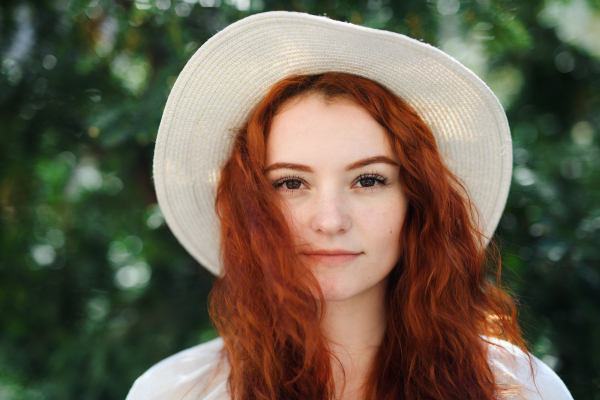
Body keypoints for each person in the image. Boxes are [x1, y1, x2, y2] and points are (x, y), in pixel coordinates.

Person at [126, 11, 573, 400]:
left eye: (369, 179)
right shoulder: (173, 392)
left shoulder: (520, 390)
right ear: (250, 204)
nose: (330, 220)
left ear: (416, 200)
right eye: (291, 183)